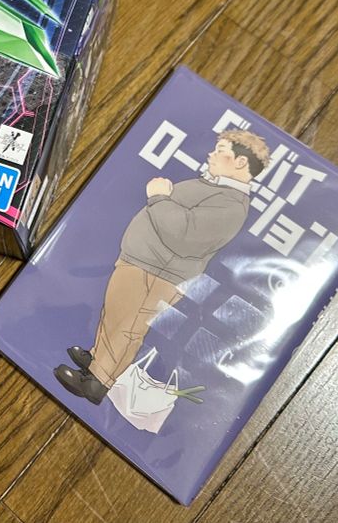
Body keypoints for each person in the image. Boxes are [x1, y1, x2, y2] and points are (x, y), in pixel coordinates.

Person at [55, 129, 270, 404]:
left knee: (130, 324)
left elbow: (186, 236)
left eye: (220, 151)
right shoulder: (216, 189)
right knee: (117, 313)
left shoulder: (231, 204)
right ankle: (97, 359)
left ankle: (98, 381)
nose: (211, 154)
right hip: (143, 261)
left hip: (158, 272)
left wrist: (158, 197)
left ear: (240, 162)